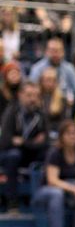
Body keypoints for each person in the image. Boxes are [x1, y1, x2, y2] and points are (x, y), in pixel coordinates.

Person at [31, 120, 75, 227]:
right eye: (69, 133)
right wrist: (74, 189)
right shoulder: (55, 153)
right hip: (48, 190)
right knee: (57, 194)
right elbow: (52, 180)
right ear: (62, 136)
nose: (72, 136)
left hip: (70, 188)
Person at [0, 81, 49, 212]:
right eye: (29, 95)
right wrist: (32, 142)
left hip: (31, 153)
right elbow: (5, 141)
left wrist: (22, 142)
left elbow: (45, 142)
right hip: (11, 155)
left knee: (49, 154)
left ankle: (43, 199)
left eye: (36, 95)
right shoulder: (11, 112)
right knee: (14, 155)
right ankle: (12, 201)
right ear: (20, 95)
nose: (33, 99)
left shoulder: (41, 114)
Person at [29, 37, 75, 103]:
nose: (55, 54)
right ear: (46, 52)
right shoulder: (37, 68)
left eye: (58, 51)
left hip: (66, 103)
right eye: (52, 51)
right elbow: (31, 91)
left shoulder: (69, 69)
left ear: (63, 52)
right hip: (42, 103)